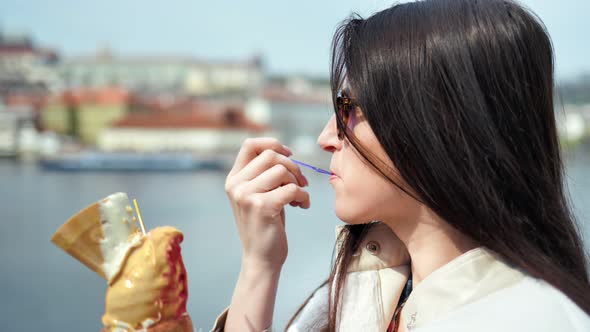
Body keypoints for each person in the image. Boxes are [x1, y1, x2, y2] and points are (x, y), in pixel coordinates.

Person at [211, 0, 590, 331]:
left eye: (348, 108)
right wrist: (259, 267)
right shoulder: (363, 293)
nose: (326, 137)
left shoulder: (538, 320)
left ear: (440, 124)